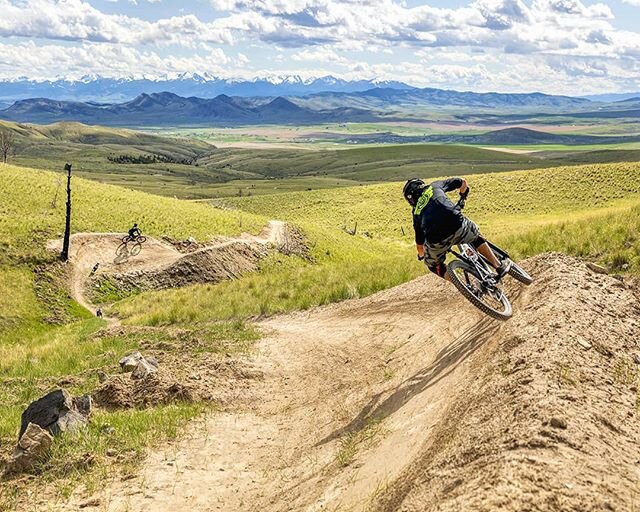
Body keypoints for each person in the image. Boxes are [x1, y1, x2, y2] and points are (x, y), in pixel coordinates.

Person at [403, 177, 511, 280]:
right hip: (456, 224)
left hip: (437, 240)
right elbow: (462, 182)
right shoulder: (434, 186)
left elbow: (420, 246)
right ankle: (498, 266)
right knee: (475, 236)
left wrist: (421, 256)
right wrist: (463, 197)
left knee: (433, 265)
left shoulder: (416, 212)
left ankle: (461, 284)